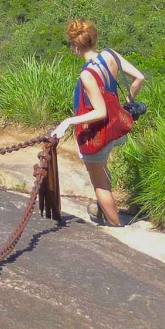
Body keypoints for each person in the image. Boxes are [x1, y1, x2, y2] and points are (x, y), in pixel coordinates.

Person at [51, 19, 145, 227]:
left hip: (98, 134)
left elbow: (100, 112)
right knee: (102, 168)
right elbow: (139, 77)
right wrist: (125, 104)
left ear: (75, 46)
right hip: (116, 127)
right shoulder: (110, 54)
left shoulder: (87, 74)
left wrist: (67, 121)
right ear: (94, 39)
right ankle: (103, 213)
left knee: (100, 186)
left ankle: (116, 227)